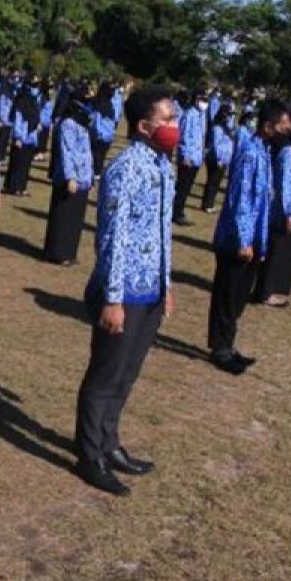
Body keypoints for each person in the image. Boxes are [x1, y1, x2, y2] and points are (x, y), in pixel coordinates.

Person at [74, 85, 175, 496]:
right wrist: (113, 299)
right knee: (105, 375)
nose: (174, 126)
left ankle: (110, 442)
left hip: (149, 289)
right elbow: (112, 240)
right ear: (143, 126)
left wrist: (165, 285)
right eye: (166, 119)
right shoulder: (125, 169)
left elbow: (162, 231)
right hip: (122, 293)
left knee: (126, 375)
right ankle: (90, 454)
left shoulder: (162, 165)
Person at [208, 99, 290, 375]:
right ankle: (220, 348)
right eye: (282, 126)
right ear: (268, 126)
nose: (285, 131)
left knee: (240, 294)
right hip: (236, 238)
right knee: (228, 295)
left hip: (254, 236)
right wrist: (244, 240)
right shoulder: (250, 153)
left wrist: (259, 240)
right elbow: (240, 199)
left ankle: (228, 345)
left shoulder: (265, 152)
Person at [253, 108, 291, 308]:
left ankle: (272, 288)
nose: (287, 127)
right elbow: (285, 183)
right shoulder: (286, 150)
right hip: (283, 212)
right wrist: (289, 213)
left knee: (282, 251)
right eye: (284, 123)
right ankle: (265, 291)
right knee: (275, 251)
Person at [43, 84, 96, 265]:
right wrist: (70, 176)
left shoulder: (82, 123)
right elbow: (67, 151)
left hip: (83, 177)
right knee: (63, 216)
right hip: (69, 178)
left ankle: (70, 251)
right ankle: (58, 252)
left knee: (75, 217)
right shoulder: (67, 123)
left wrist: (89, 176)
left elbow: (87, 152)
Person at [172, 89, 208, 226]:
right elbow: (184, 136)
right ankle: (176, 212)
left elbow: (201, 136)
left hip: (196, 157)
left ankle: (178, 210)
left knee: (187, 187)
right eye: (202, 99)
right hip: (188, 157)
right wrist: (185, 155)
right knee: (181, 186)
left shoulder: (201, 116)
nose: (204, 103)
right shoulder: (189, 115)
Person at [4, 74, 44, 197]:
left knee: (26, 164)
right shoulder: (21, 101)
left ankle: (22, 187)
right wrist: (18, 137)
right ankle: (14, 187)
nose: (34, 89)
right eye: (32, 86)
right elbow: (18, 120)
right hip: (21, 137)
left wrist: (38, 125)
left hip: (31, 138)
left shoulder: (34, 102)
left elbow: (36, 116)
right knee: (17, 163)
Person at [201, 104, 235, 213]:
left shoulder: (227, 128)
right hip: (216, 159)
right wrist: (219, 160)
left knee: (216, 182)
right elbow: (215, 145)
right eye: (228, 115)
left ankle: (210, 203)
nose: (229, 118)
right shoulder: (217, 128)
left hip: (224, 159)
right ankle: (207, 204)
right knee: (212, 181)